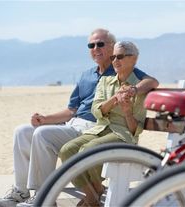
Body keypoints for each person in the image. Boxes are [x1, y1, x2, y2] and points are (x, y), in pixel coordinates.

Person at [0, 29, 158, 207]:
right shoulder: (87, 75)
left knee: (43, 135)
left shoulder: (121, 70)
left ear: (112, 47)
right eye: (91, 45)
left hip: (95, 126)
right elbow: (71, 110)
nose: (95, 48)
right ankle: (21, 191)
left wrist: (131, 91)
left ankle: (43, 197)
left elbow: (150, 81)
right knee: (22, 132)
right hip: (73, 124)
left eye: (100, 44)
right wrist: (45, 118)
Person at [59, 41, 147, 206]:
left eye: (119, 56)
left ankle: (93, 195)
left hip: (124, 136)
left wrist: (127, 111)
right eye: (113, 57)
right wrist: (115, 99)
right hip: (99, 129)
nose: (114, 61)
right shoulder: (105, 81)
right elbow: (96, 110)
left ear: (134, 59)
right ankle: (93, 194)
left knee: (87, 150)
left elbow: (136, 131)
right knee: (67, 150)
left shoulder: (139, 88)